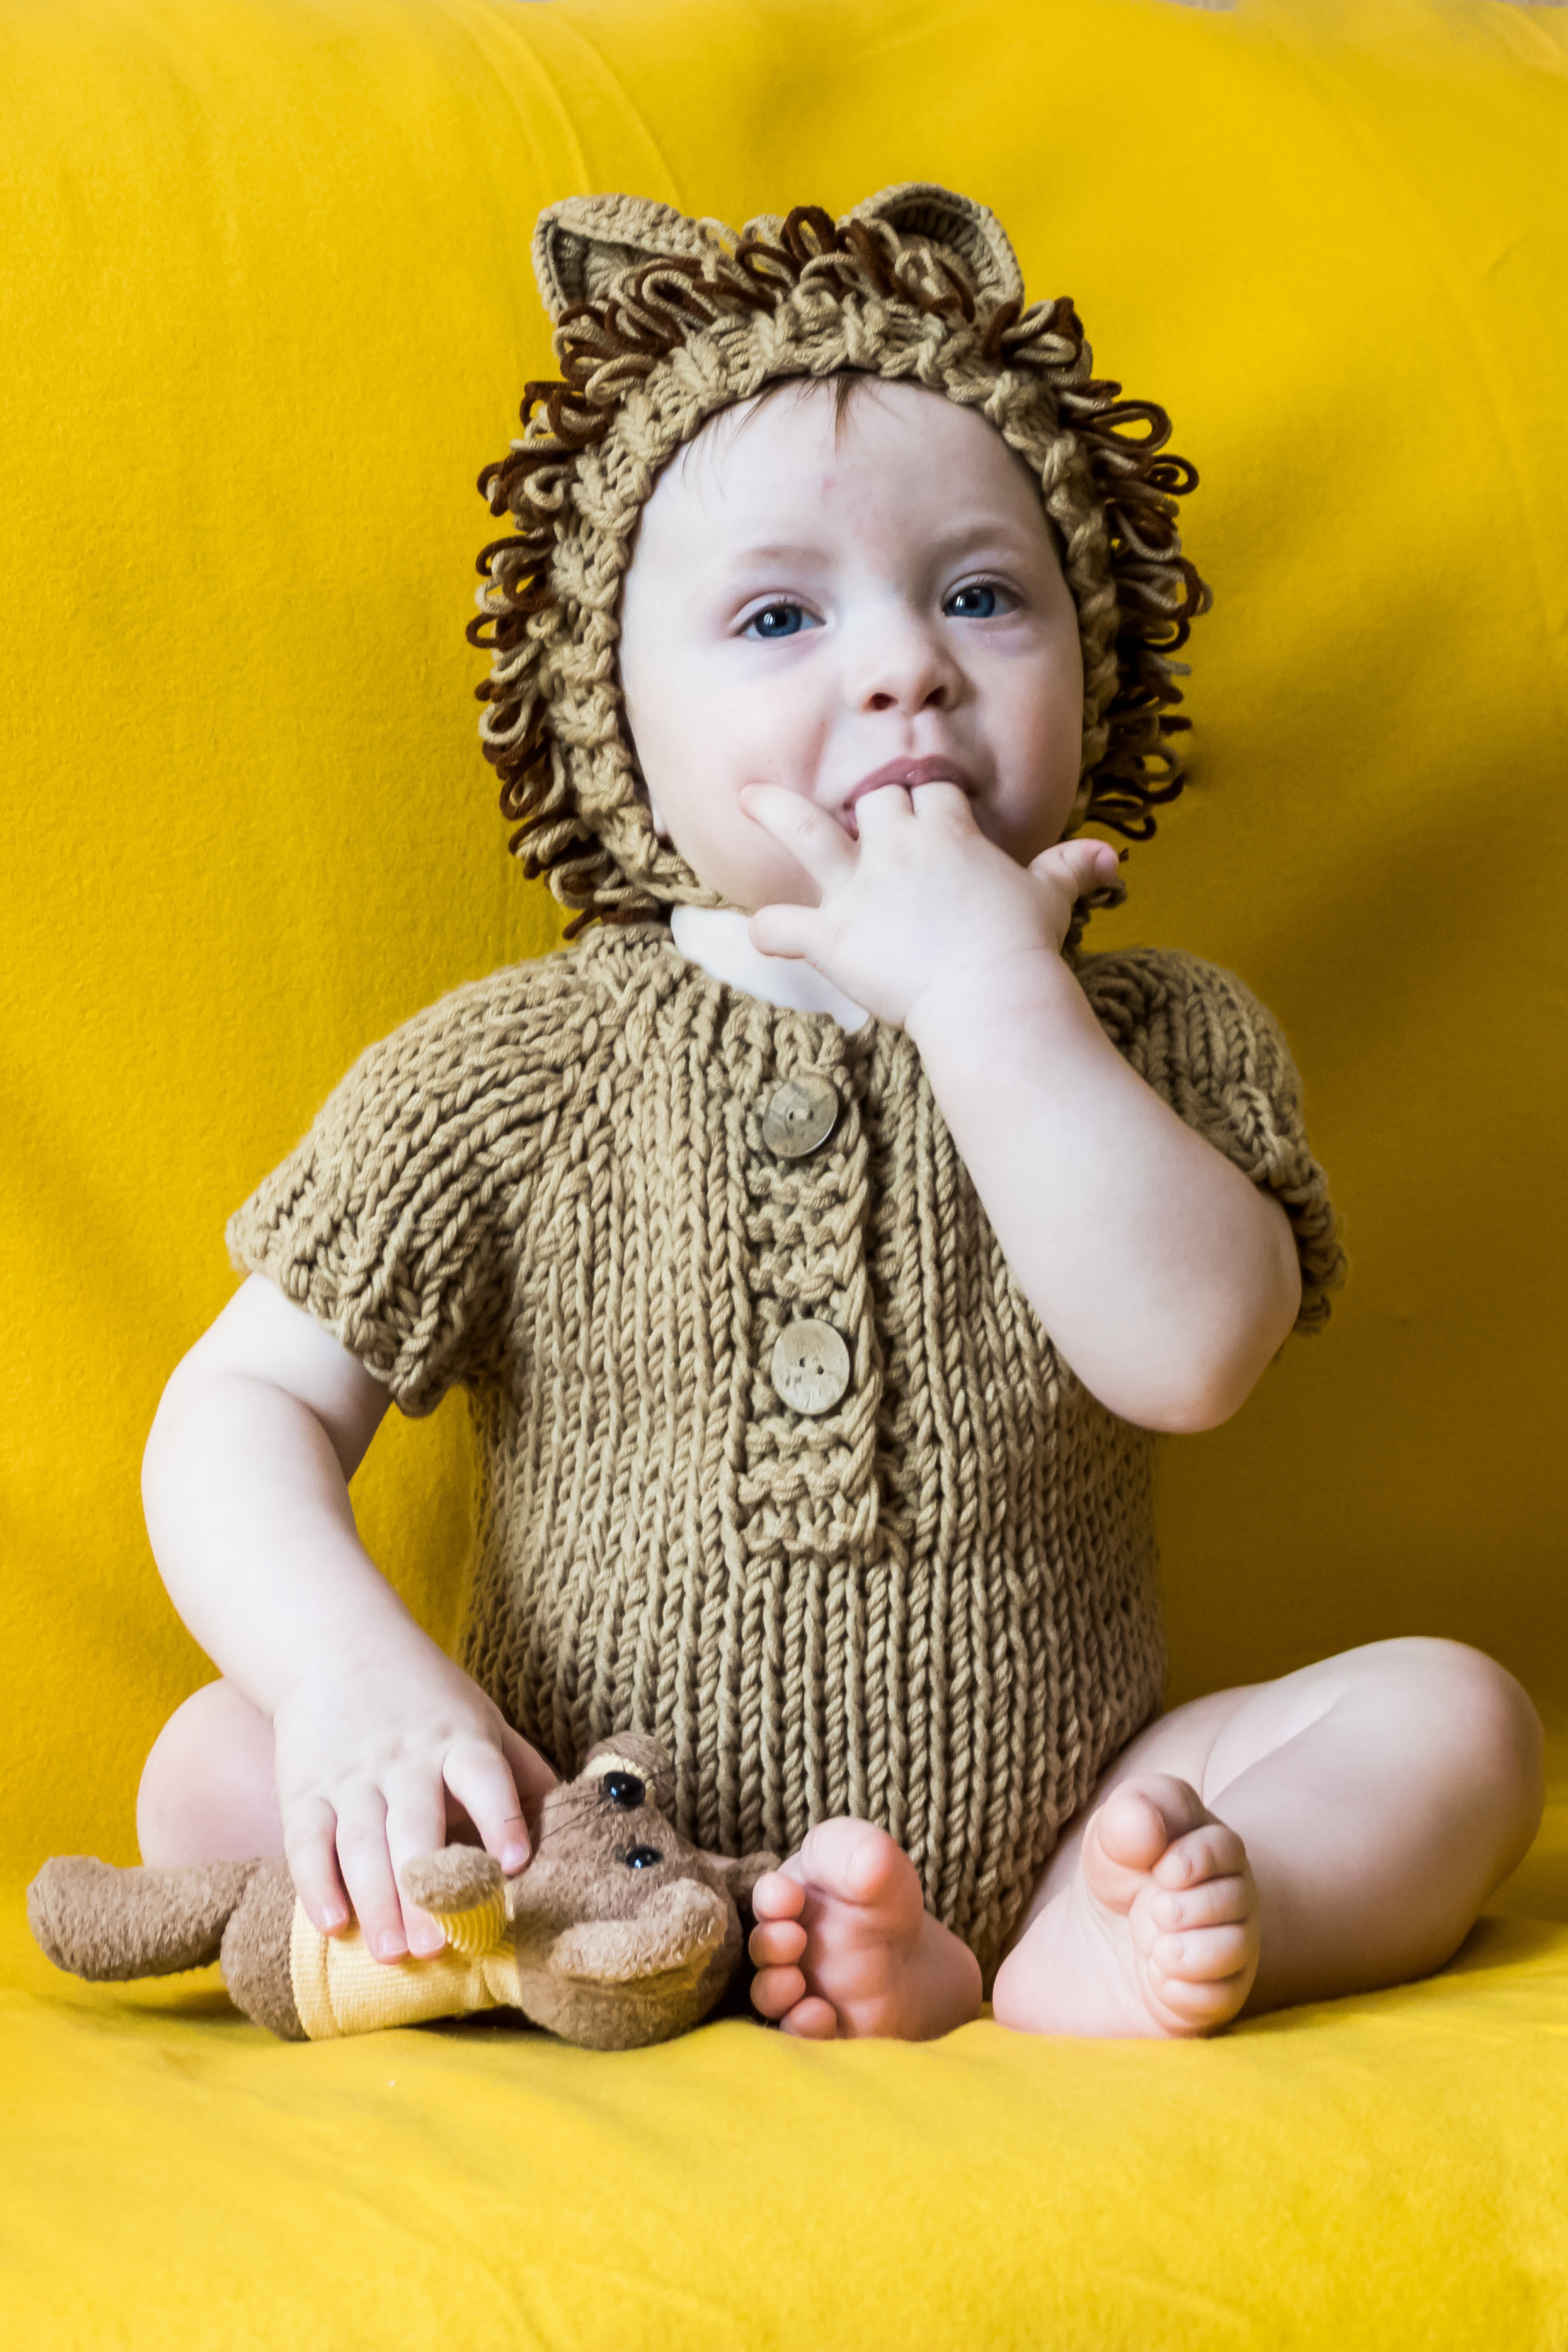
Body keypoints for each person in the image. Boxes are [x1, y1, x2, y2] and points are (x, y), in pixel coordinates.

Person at [135, 185, 1543, 2043]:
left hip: (1065, 1815)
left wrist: (987, 992)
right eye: (782, 613)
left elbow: (1196, 1349)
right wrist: (352, 1679)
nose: (903, 663)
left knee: (1462, 1719)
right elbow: (237, 1407)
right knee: (215, 1764)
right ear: (611, 718)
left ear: (1094, 653)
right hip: (580, 1810)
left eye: (979, 594)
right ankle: (590, 1945)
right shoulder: (515, 1069)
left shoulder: (1152, 1031)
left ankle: (1090, 1948)